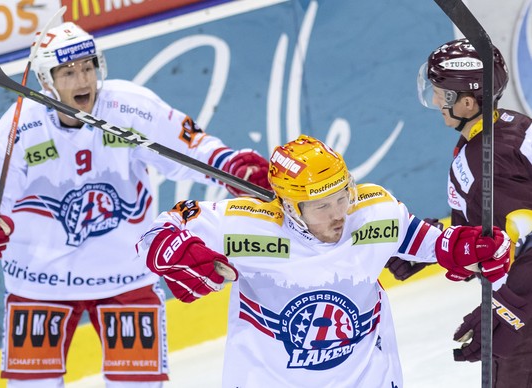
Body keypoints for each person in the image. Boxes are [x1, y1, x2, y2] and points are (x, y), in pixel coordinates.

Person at [0, 22, 271, 388]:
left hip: (126, 273)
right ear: (47, 80)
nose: (82, 80)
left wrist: (232, 166)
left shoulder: (130, 107)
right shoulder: (20, 126)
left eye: (88, 67)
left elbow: (193, 148)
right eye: (69, 72)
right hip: (40, 281)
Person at [136, 134, 510, 387]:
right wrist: (184, 254)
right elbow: (154, 233)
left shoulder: (373, 210)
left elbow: (435, 244)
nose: (339, 214)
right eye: (321, 205)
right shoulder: (244, 224)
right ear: (290, 208)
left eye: (341, 196)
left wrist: (476, 250)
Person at [418, 37, 532, 386]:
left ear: (467, 102)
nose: (435, 100)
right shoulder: (510, 124)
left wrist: (509, 309)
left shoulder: (487, 160)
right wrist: (437, 245)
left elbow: (524, 241)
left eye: (441, 93)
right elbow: (494, 232)